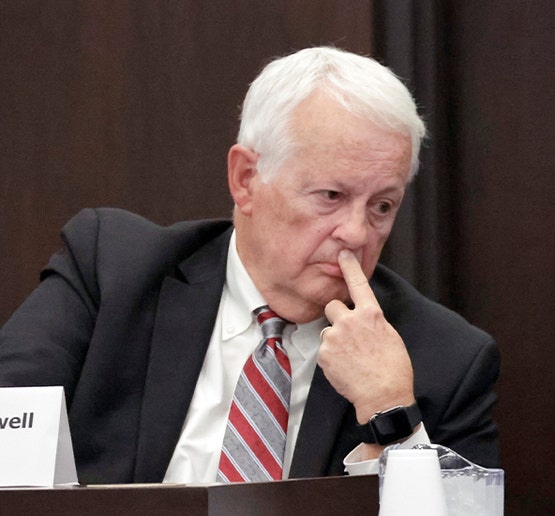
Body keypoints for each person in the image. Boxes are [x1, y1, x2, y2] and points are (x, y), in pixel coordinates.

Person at [0, 46, 499, 484]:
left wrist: (389, 413)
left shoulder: (442, 360)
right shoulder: (112, 273)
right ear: (245, 179)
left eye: (382, 206)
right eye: (331, 195)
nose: (357, 232)